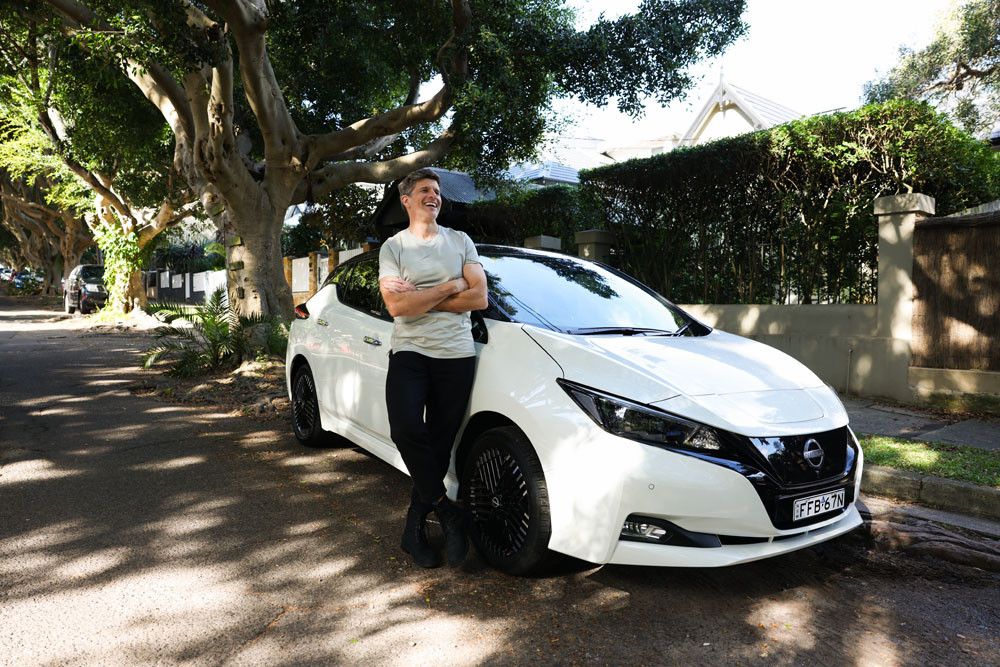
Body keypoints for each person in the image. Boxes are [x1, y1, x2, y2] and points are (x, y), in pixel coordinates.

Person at [378, 168, 488, 568]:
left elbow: (479, 299)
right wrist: (449, 286)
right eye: (424, 190)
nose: (434, 195)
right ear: (405, 200)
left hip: (456, 355)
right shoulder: (393, 248)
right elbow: (396, 308)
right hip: (409, 351)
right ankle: (447, 510)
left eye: (437, 191)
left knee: (439, 447)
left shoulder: (460, 241)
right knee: (405, 429)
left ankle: (414, 529)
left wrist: (421, 298)